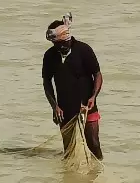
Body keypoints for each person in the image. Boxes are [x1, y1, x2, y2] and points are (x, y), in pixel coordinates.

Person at [42, 17, 104, 160]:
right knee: (69, 150)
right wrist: (54, 106)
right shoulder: (50, 56)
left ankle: (99, 175)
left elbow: (98, 75)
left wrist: (93, 97)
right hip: (64, 110)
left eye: (63, 42)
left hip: (87, 107)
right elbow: (47, 82)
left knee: (94, 144)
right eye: (57, 43)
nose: (62, 45)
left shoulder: (84, 50)